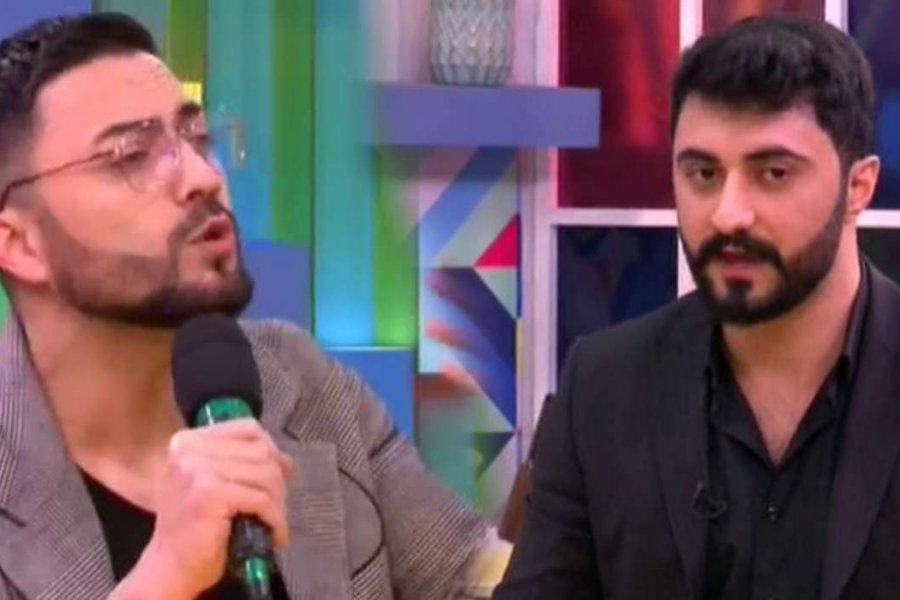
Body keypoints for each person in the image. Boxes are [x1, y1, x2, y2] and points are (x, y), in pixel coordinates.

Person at [0, 12, 508, 600]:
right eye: (132, 155)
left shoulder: (298, 380)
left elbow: (475, 575)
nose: (203, 177)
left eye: (196, 138)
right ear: (19, 243)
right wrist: (165, 575)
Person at [495, 15, 899, 600]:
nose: (728, 214)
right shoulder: (603, 387)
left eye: (773, 173)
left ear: (858, 187)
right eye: (704, 173)